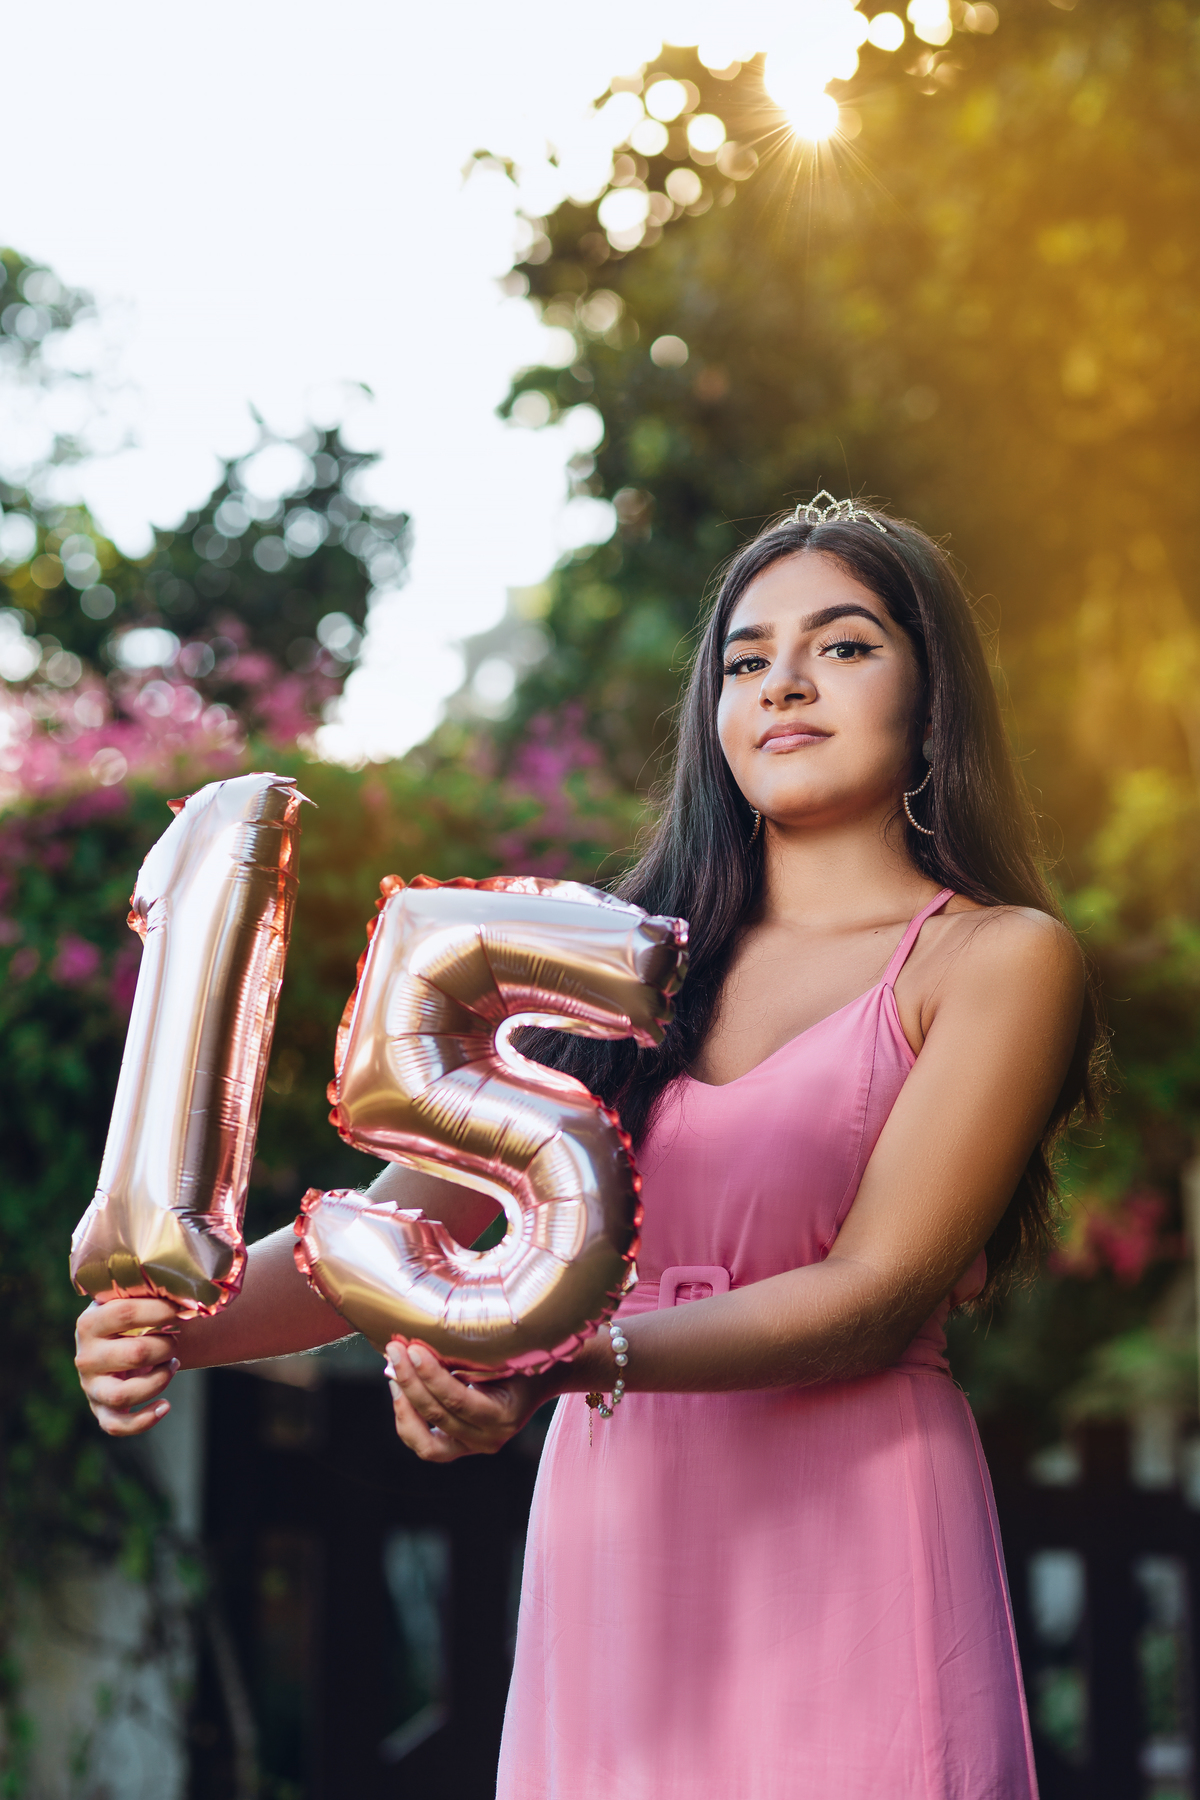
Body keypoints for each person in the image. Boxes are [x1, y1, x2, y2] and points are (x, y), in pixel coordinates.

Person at [75, 497, 1101, 1799]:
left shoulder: (996, 960)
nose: (784, 679)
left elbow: (870, 1295)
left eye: (843, 646)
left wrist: (568, 1355)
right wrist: (180, 1324)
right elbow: (390, 1232)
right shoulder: (608, 964)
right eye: (745, 659)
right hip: (621, 1534)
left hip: (854, 1521)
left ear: (932, 698)